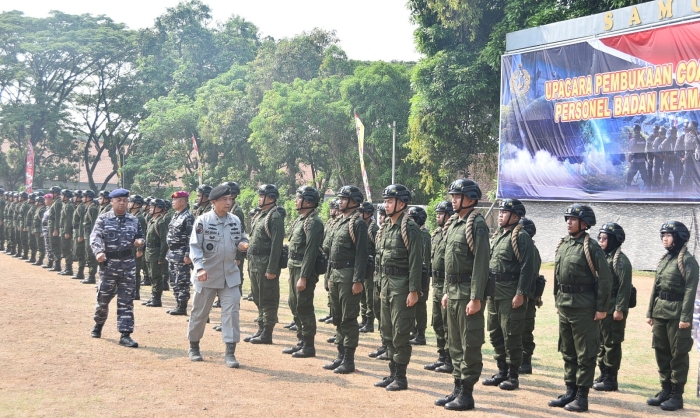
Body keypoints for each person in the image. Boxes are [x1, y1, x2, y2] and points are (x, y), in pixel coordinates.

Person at [549, 203, 612, 412]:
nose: (568, 222)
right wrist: (557, 300)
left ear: (584, 223)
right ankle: (570, 391)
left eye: (573, 219)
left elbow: (604, 280)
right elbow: (558, 275)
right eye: (567, 219)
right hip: (566, 305)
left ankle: (582, 397)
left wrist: (601, 307)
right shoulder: (565, 244)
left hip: (584, 307)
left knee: (585, 353)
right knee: (568, 351)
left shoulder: (592, 247)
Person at [434, 179, 489, 410]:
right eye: (453, 196)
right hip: (454, 292)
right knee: (454, 343)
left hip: (468, 293)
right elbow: (449, 263)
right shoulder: (455, 223)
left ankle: (467, 394)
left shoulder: (476, 224)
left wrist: (476, 297)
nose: (453, 200)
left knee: (470, 344)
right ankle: (456, 388)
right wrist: (446, 291)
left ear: (470, 199)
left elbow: (481, 263)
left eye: (458, 196)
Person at [187, 184, 249, 367]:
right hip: (207, 275)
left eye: (230, 199)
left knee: (231, 313)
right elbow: (195, 247)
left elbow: (243, 238)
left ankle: (230, 353)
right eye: (224, 199)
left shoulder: (235, 220)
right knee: (199, 313)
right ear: (213, 202)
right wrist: (199, 268)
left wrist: (243, 245)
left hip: (230, 275)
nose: (228, 202)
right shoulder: (203, 221)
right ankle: (194, 346)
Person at [373, 184, 422, 390]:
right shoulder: (386, 226)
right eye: (385, 201)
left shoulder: (409, 227)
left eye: (390, 201)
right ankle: (392, 373)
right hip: (386, 284)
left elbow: (415, 261)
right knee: (387, 330)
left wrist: (413, 290)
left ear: (401, 203)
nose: (386, 204)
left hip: (402, 287)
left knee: (401, 332)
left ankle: (401, 378)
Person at [646, 221, 699, 411]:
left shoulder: (687, 261)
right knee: (661, 351)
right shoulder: (665, 259)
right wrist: (650, 312)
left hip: (677, 314)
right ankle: (665, 390)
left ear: (678, 238)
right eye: (663, 235)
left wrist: (685, 318)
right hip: (661, 311)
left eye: (668, 235)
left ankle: (677, 395)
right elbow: (656, 287)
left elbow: (690, 291)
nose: (664, 239)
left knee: (678, 354)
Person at [483, 199, 534, 391]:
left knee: (511, 335)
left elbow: (527, 268)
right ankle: (501, 371)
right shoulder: (499, 236)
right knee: (495, 333)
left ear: (515, 216)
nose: (501, 214)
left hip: (510, 293)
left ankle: (513, 375)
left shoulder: (521, 237)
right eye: (501, 211)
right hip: (494, 292)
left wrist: (521, 293)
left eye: (505, 212)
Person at [89, 188, 144, 348]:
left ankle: (125, 334)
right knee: (103, 299)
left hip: (128, 264)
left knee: (126, 300)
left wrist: (140, 243)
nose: (122, 203)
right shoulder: (103, 219)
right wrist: (98, 251)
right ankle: (98, 324)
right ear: (112, 201)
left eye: (125, 200)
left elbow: (141, 237)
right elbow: (95, 237)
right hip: (109, 265)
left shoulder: (134, 220)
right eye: (118, 200)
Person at [323, 185, 367, 374]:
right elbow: (330, 253)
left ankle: (348, 360)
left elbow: (361, 255)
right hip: (335, 274)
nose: (340, 201)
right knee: (337, 316)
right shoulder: (339, 222)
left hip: (349, 276)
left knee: (348, 318)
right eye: (340, 199)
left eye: (343, 199)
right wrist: (327, 276)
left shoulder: (357, 223)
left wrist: (358, 280)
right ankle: (340, 355)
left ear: (354, 202)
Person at [282, 186, 324, 358]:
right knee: (294, 304)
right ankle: (300, 340)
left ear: (308, 201)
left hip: (303, 270)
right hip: (294, 267)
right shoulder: (300, 220)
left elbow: (310, 252)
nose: (295, 201)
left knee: (303, 306)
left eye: (298, 198)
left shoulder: (313, 222)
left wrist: (304, 277)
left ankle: (308, 345)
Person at [592, 222, 632, 392]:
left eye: (605, 238)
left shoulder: (621, 260)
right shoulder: (603, 257)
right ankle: (603, 372)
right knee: (601, 342)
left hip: (613, 307)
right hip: (602, 306)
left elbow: (625, 287)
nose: (601, 241)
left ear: (615, 240)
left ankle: (611, 378)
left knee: (612, 343)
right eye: (599, 238)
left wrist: (620, 309)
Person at [245, 184, 285, 344]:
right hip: (255, 263)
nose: (259, 199)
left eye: (262, 196)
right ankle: (261, 328)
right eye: (260, 196)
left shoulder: (274, 217)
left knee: (268, 298)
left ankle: (267, 333)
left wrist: (272, 268)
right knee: (257, 297)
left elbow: (276, 246)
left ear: (271, 198)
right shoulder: (261, 215)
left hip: (265, 263)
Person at [425, 201, 454, 373]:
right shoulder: (436, 234)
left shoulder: (451, 233)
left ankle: (450, 359)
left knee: (447, 324)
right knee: (437, 322)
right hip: (436, 284)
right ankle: (441, 355)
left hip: (446, 284)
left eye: (441, 213)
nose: (438, 216)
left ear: (449, 215)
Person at [166, 191, 194, 316]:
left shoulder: (188, 217)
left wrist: (188, 254)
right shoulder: (176, 215)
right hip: (172, 252)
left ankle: (182, 306)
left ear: (182, 201)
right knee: (173, 280)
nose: (173, 202)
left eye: (175, 200)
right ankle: (178, 303)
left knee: (182, 280)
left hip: (181, 252)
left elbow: (190, 237)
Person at [408, 206, 431, 346]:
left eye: (412, 218)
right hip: (416, 273)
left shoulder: (424, 235)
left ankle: (420, 334)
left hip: (422, 274)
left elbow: (424, 257)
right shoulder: (416, 233)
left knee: (421, 305)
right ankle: (414, 331)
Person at [369, 203, 389, 359]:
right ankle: (384, 343)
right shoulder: (381, 232)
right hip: (378, 277)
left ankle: (390, 346)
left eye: (382, 215)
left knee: (387, 316)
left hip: (390, 280)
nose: (380, 217)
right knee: (378, 311)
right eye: (379, 214)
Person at [143, 199, 168, 308]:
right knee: (151, 275)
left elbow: (164, 241)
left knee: (156, 276)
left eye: (153, 207)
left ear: (159, 209)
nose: (150, 209)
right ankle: (153, 296)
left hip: (156, 252)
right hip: (149, 252)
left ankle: (157, 299)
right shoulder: (152, 221)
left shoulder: (160, 222)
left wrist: (161, 257)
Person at [319, 199, 340, 325]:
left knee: (333, 287)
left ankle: (334, 313)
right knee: (329, 286)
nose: (333, 211)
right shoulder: (329, 223)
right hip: (327, 257)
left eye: (335, 208)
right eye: (332, 208)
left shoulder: (339, 223)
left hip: (335, 258)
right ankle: (331, 312)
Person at [359, 201, 379, 334]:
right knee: (362, 294)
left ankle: (370, 322)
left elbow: (379, 249)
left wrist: (376, 268)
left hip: (371, 267)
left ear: (369, 214)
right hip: (362, 265)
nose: (360, 214)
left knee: (369, 294)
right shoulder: (361, 226)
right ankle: (364, 318)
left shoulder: (374, 229)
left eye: (362, 212)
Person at [82, 190, 100, 285]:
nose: (82, 198)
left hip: (90, 234)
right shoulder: (88, 207)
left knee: (91, 255)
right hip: (87, 233)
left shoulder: (92, 208)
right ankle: (90, 275)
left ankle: (91, 276)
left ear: (89, 197)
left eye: (84, 196)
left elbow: (93, 223)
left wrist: (93, 236)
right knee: (88, 254)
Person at [627, 124, 650, 188]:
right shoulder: (643, 139)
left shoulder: (632, 140)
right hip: (642, 160)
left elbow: (630, 150)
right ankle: (647, 190)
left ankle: (627, 188)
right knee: (645, 177)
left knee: (629, 176)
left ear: (634, 130)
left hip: (635, 161)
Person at [58, 189, 75, 276]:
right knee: (64, 249)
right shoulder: (65, 205)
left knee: (67, 249)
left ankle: (69, 268)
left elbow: (68, 220)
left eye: (62, 195)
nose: (60, 197)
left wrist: (67, 231)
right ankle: (67, 268)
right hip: (63, 230)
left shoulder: (69, 206)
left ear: (66, 196)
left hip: (66, 231)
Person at [71, 190, 87, 280]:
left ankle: (81, 272)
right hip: (76, 231)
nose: (73, 198)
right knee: (77, 251)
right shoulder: (79, 206)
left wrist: (81, 234)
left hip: (79, 231)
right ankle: (79, 272)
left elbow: (81, 222)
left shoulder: (81, 207)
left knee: (80, 251)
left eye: (75, 196)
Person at [47, 186, 63, 272]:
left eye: (52, 192)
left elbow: (57, 217)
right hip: (51, 225)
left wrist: (56, 229)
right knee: (52, 244)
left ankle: (57, 265)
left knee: (55, 245)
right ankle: (55, 264)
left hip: (54, 226)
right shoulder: (55, 202)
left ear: (56, 193)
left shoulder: (58, 203)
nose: (51, 194)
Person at [32, 195, 47, 266]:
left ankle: (40, 259)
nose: (36, 202)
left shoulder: (42, 210)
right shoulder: (39, 209)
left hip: (40, 230)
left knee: (41, 245)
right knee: (39, 244)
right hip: (37, 229)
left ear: (40, 202)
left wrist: (42, 231)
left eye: (37, 201)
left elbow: (42, 221)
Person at [41, 194, 54, 268]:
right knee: (47, 245)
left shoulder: (52, 208)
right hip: (45, 228)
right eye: (45, 199)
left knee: (49, 246)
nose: (45, 201)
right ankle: (49, 261)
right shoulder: (47, 208)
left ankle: (51, 262)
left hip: (49, 229)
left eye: (47, 199)